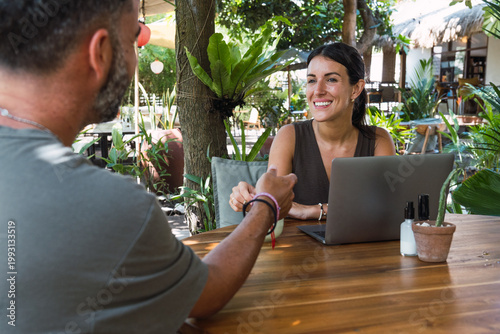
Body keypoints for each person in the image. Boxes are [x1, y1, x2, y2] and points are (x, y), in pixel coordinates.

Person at [0, 1, 297, 333]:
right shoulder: (109, 203)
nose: (135, 56)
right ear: (99, 53)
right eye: (131, 40)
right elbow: (206, 295)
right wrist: (264, 208)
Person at [230, 43, 396, 220]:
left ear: (355, 89)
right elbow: (274, 205)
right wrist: (251, 200)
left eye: (331, 79)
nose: (318, 90)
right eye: (311, 80)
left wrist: (310, 211)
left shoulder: (378, 140)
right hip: (298, 247)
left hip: (365, 247)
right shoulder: (289, 136)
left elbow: (384, 206)